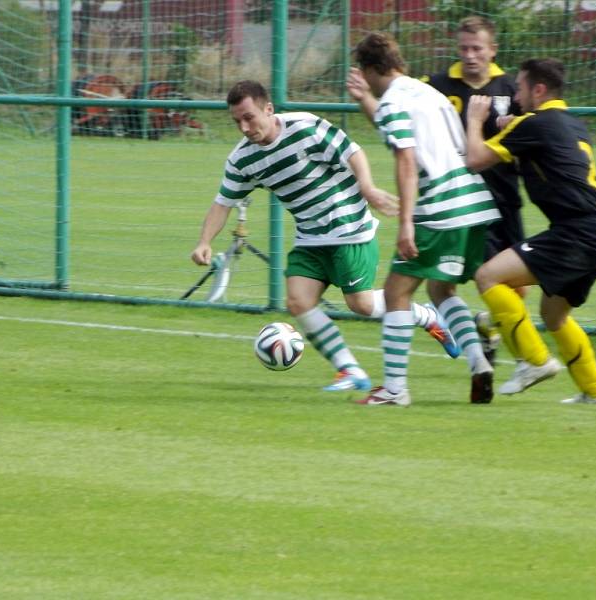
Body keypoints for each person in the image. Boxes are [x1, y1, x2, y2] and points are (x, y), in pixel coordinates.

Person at [191, 80, 460, 393]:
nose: (244, 127)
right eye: (237, 121)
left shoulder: (306, 128)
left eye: (249, 117)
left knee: (360, 305)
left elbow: (353, 152)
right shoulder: (242, 159)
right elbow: (223, 202)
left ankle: (428, 316)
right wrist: (204, 241)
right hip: (310, 236)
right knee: (297, 300)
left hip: (349, 228)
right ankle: (351, 371)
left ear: (269, 109)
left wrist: (368, 187)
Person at [347, 32, 500, 406]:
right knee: (441, 290)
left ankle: (395, 390)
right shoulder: (427, 92)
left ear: (368, 70)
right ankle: (479, 363)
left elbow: (406, 160)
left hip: (440, 204)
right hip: (473, 199)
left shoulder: (393, 102)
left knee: (397, 292)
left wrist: (406, 224)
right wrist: (368, 101)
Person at [466, 58, 596, 405]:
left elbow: (474, 158)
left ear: (538, 89)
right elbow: (546, 154)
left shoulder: (535, 123)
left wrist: (475, 121)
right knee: (554, 314)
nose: (516, 94)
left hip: (574, 233)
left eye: (520, 87)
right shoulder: (571, 123)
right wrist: (516, 126)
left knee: (488, 276)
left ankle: (534, 362)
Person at [422, 15, 524, 365]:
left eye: (477, 48)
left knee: (518, 288)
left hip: (503, 200)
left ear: (492, 50)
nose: (470, 55)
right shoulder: (435, 85)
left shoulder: (511, 90)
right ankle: (483, 344)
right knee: (443, 283)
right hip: (456, 202)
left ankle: (487, 327)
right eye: (464, 48)